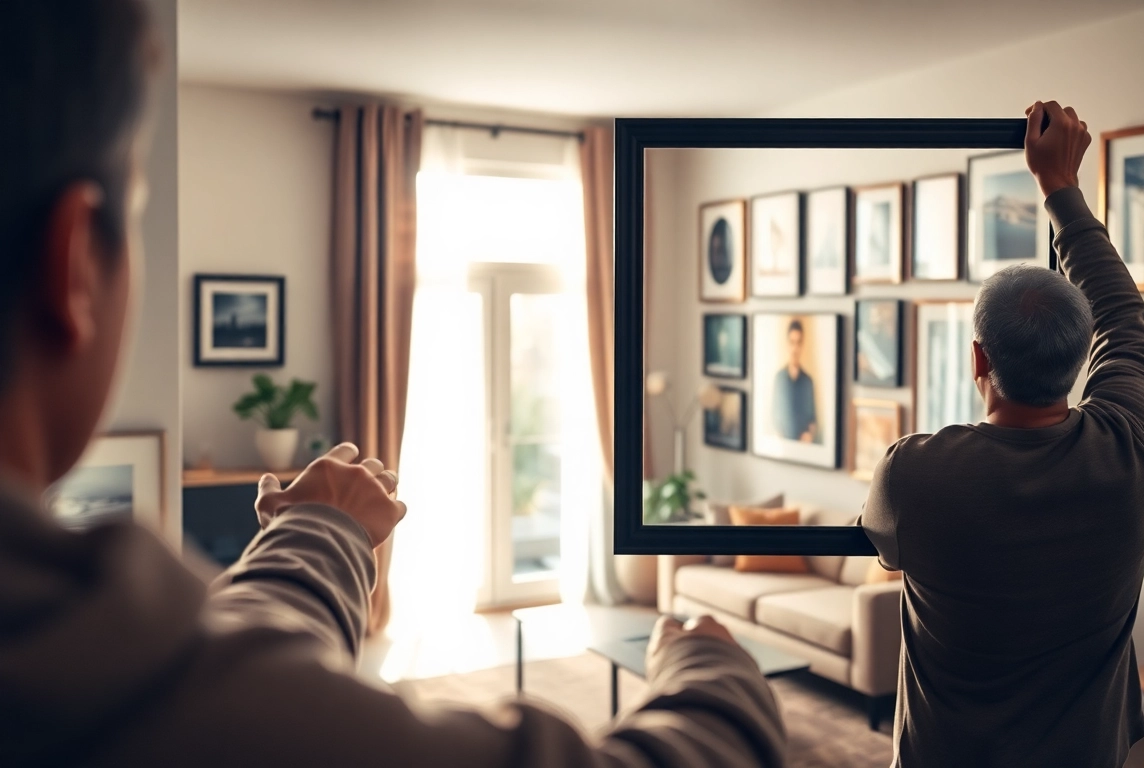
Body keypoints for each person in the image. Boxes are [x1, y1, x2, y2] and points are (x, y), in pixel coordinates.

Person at [0, 2, 785, 766]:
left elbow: (222, 679)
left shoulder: (90, 659)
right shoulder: (118, 680)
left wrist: (316, 530)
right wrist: (714, 669)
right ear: (76, 266)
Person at [861, 101, 1144, 768]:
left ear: (978, 359)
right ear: (1082, 357)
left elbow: (885, 545)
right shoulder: (1132, 453)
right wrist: (1059, 186)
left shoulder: (915, 474)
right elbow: (1126, 321)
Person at [772, 319, 819, 442]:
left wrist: (809, 435)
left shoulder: (808, 382)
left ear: (802, 346)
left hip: (802, 446)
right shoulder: (779, 379)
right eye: (792, 342)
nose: (795, 348)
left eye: (798, 343)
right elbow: (774, 417)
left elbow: (812, 420)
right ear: (787, 344)